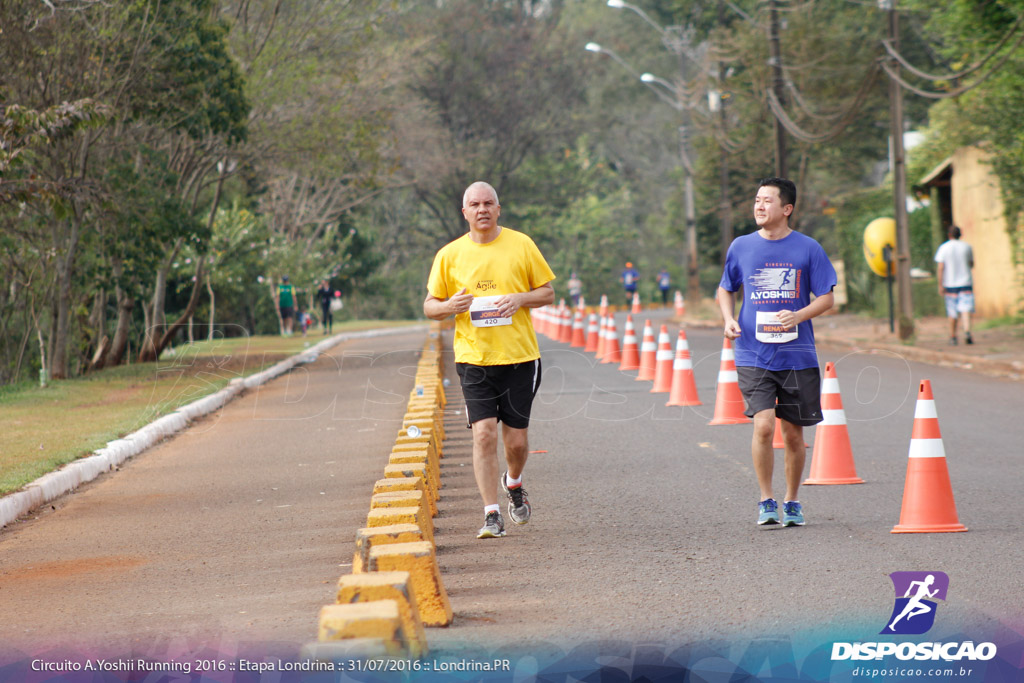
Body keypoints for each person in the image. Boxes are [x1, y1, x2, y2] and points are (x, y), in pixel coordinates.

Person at [424, 181, 555, 539]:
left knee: (515, 443)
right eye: (474, 204)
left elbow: (548, 292)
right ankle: (491, 513)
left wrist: (519, 299)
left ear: (498, 209)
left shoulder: (521, 244)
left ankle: (513, 482)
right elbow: (430, 305)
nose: (482, 209)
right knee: (483, 436)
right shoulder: (449, 255)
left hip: (519, 359)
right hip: (474, 360)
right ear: (464, 212)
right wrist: (449, 307)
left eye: (488, 203)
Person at [717, 177, 836, 527]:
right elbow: (726, 289)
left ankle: (793, 500)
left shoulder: (808, 248)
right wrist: (727, 319)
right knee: (765, 427)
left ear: (786, 209)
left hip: (797, 355)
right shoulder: (741, 246)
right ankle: (766, 499)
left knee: (794, 434)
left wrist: (798, 315)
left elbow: (827, 298)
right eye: (756, 200)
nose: (759, 206)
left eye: (767, 201)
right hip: (753, 352)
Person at [934, 225, 974, 345]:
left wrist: (940, 285)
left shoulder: (943, 248)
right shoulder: (967, 247)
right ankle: (967, 331)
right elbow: (971, 264)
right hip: (965, 282)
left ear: (949, 234)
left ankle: (953, 336)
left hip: (950, 284)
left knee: (952, 312)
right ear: (960, 235)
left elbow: (941, 267)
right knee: (965, 309)